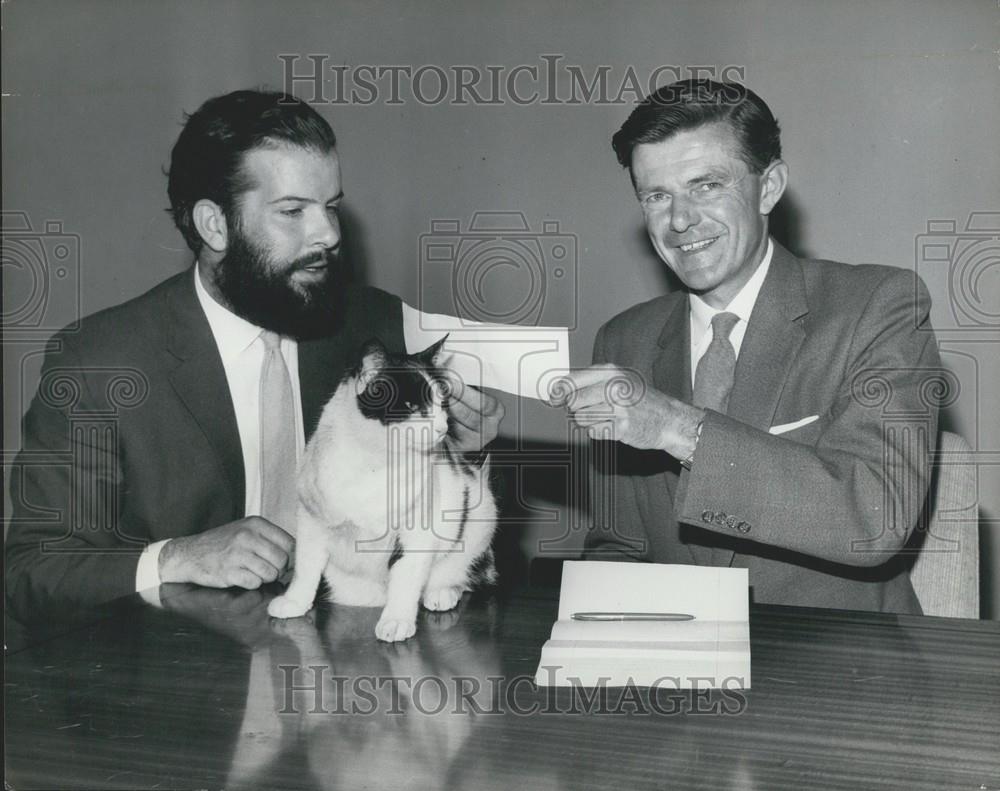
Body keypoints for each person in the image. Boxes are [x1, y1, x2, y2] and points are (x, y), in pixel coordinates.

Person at [5, 90, 504, 618]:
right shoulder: (99, 361)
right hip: (180, 679)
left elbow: (431, 514)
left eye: (331, 207)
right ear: (214, 225)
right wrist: (176, 557)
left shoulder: (375, 326)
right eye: (293, 211)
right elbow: (32, 573)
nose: (329, 234)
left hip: (347, 661)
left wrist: (455, 446)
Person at [557, 79, 941, 613]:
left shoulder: (878, 305)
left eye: (707, 185)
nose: (680, 220)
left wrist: (674, 426)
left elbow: (874, 520)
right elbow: (619, 545)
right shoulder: (625, 337)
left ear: (769, 187)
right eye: (657, 195)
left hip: (839, 669)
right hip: (676, 673)